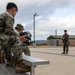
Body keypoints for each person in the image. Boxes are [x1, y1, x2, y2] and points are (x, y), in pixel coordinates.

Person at [0, 2, 30, 73]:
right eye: (16, 12)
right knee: (15, 39)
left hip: (1, 37)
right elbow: (9, 31)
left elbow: (5, 33)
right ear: (13, 10)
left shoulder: (2, 15)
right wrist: (19, 37)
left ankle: (10, 60)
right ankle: (20, 65)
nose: (15, 14)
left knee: (7, 40)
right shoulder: (9, 16)